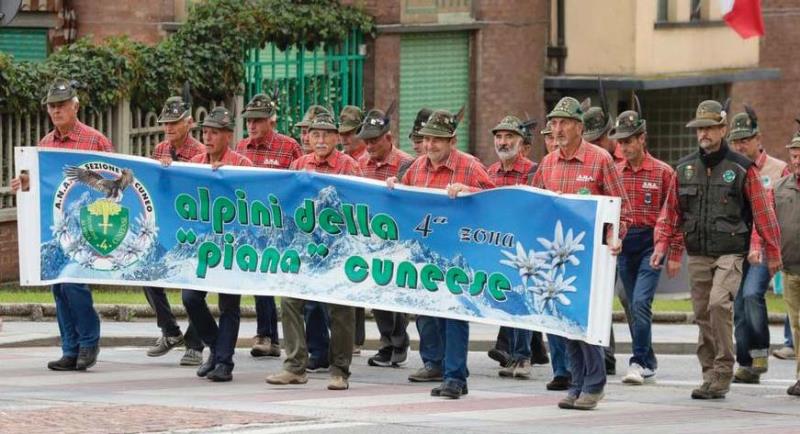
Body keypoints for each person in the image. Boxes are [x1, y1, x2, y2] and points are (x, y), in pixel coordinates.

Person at [652, 100, 782, 400]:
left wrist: (773, 252)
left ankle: (724, 370)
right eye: (700, 128)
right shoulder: (683, 169)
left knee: (718, 305)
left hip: (730, 252)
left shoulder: (741, 168)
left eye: (710, 127)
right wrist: (663, 245)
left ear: (723, 129)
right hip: (697, 253)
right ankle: (708, 373)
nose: (704, 134)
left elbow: (763, 213)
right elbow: (671, 213)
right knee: (702, 313)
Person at [530, 96, 631, 410]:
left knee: (588, 321)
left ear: (579, 126)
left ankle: (594, 384)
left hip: (593, 256)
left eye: (563, 123)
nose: (556, 129)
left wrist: (616, 236)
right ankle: (575, 383)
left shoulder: (600, 160)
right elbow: (534, 204)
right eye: (554, 123)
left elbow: (621, 209)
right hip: (558, 255)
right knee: (567, 322)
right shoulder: (547, 163)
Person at [389, 107, 495, 399]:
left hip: (459, 254)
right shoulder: (417, 168)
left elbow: (495, 203)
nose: (429, 145)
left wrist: (469, 191)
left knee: (454, 314)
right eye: (426, 139)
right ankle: (442, 366)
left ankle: (454, 377)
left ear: (452, 140)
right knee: (429, 314)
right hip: (426, 254)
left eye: (437, 140)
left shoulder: (470, 167)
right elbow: (404, 200)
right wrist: (392, 189)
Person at [11, 79, 112, 372]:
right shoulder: (45, 143)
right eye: (52, 106)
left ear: (75, 106)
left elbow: (112, 178)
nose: (56, 110)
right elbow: (42, 182)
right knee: (58, 286)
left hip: (88, 223)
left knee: (73, 283)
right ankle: (70, 349)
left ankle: (89, 341)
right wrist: (25, 183)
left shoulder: (95, 140)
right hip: (58, 225)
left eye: (61, 105)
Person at [267, 109, 362, 391]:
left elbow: (360, 205)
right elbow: (286, 202)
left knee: (340, 309)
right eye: (315, 135)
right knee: (290, 301)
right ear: (308, 137)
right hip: (304, 248)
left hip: (337, 248)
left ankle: (340, 370)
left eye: (326, 135)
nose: (320, 140)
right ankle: (295, 365)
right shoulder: (299, 165)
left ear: (336, 138)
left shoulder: (348, 166)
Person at [182, 107, 253, 382]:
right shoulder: (195, 163)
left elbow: (253, 198)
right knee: (190, 298)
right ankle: (215, 346)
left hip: (232, 245)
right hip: (201, 245)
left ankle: (224, 361)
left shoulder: (242, 164)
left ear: (228, 135)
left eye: (214, 133)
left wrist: (229, 178)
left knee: (229, 305)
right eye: (205, 132)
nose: (208, 138)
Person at [609, 102, 673, 385]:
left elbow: (672, 213)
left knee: (640, 302)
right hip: (623, 245)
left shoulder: (662, 172)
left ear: (642, 138)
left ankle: (637, 361)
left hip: (651, 243)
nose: (624, 146)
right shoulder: (614, 172)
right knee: (630, 304)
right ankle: (648, 359)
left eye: (629, 140)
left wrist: (670, 250)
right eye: (620, 142)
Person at [237, 93, 303, 359]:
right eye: (249, 120)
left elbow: (300, 181)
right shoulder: (241, 148)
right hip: (252, 224)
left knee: (287, 284)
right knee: (258, 277)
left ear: (270, 121)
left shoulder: (289, 147)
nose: (251, 126)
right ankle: (266, 335)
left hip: (283, 223)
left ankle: (296, 339)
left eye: (257, 120)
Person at [143, 95, 206, 365]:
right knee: (147, 274)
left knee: (191, 287)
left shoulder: (201, 152)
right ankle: (169, 331)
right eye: (165, 123)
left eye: (174, 122)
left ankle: (195, 344)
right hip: (167, 224)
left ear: (189, 123)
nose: (168, 128)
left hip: (195, 228)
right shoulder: (159, 150)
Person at [727, 107, 787, 384]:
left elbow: (778, 212)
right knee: (737, 305)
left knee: (752, 294)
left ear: (758, 138)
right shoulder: (732, 169)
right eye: (736, 141)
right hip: (737, 247)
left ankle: (760, 351)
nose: (740, 145)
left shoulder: (777, 170)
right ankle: (746, 362)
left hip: (765, 247)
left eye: (745, 140)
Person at [354, 106, 415, 367]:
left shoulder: (407, 163)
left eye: (374, 140)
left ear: (388, 138)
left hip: (399, 237)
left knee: (394, 291)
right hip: (369, 237)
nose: (369, 145)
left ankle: (398, 340)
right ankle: (386, 341)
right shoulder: (359, 165)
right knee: (375, 292)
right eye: (366, 140)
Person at [486, 115, 539, 380]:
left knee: (523, 300)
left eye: (509, 137)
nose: (503, 142)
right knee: (508, 300)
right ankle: (513, 354)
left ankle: (523, 356)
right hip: (499, 246)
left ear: (521, 142)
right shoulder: (490, 172)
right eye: (499, 137)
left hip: (526, 246)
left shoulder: (533, 171)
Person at [772, 134, 800, 396]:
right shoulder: (780, 188)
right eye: (793, 155)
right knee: (798, 324)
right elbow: (769, 226)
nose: (797, 160)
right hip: (791, 267)